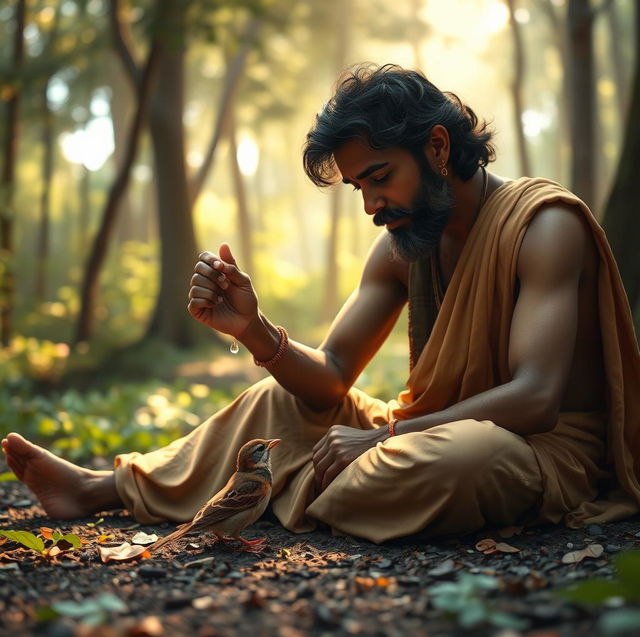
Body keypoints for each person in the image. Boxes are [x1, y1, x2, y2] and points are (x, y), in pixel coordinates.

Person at [3, 64, 640, 543]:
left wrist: (386, 437)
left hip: (535, 452)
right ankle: (100, 488)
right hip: (420, 434)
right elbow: (333, 375)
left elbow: (534, 399)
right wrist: (254, 331)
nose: (370, 206)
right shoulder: (403, 246)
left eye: (381, 177)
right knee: (279, 400)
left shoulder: (543, 227)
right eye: (360, 187)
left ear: (438, 149)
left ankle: (272, 488)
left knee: (464, 460)